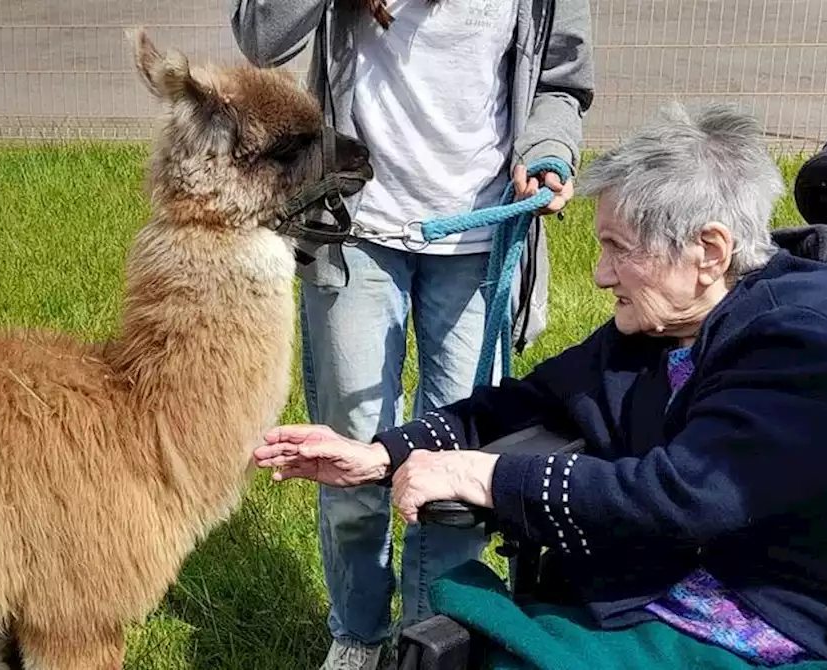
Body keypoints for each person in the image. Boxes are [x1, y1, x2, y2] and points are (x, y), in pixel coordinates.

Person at [254, 102, 827, 667]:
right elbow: (531, 397)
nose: (600, 275)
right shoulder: (670, 323)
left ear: (710, 253)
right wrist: (382, 455)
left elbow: (684, 493)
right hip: (685, 574)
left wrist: (481, 478)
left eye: (617, 248)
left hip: (779, 613)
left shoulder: (811, 345)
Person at [230, 1, 594, 666]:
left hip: (481, 237)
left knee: (458, 474)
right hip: (356, 230)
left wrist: (548, 148)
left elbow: (561, 80)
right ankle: (360, 633)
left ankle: (431, 641)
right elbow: (261, 37)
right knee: (352, 451)